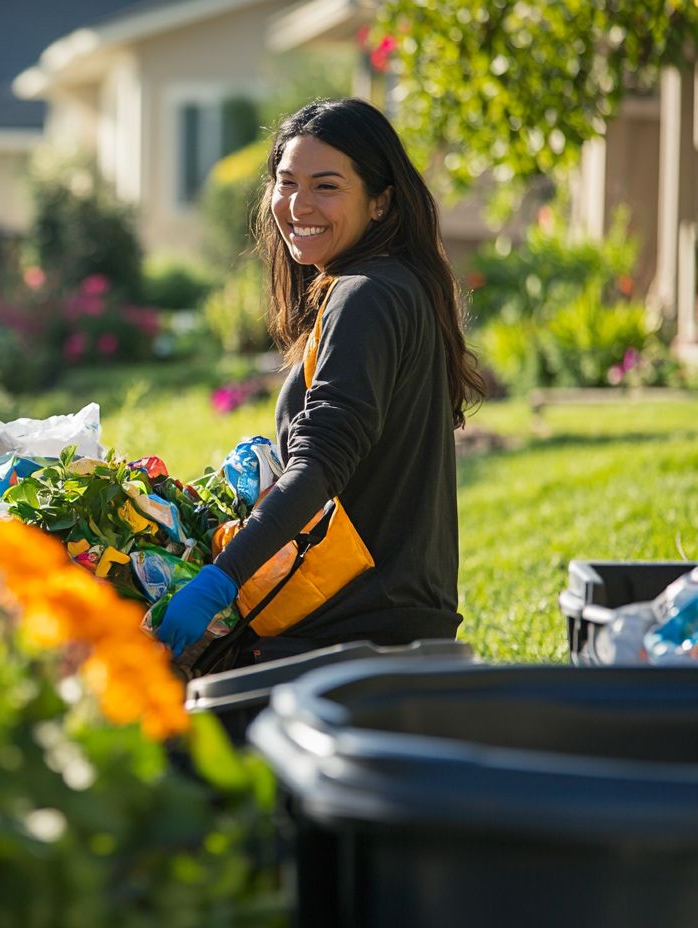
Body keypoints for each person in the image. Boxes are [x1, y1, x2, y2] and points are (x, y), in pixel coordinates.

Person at [156, 97, 485, 664]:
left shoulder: (365, 296)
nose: (298, 205)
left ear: (380, 201)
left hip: (352, 626)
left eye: (326, 186)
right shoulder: (394, 286)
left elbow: (323, 462)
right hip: (391, 613)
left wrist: (219, 581)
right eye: (286, 182)